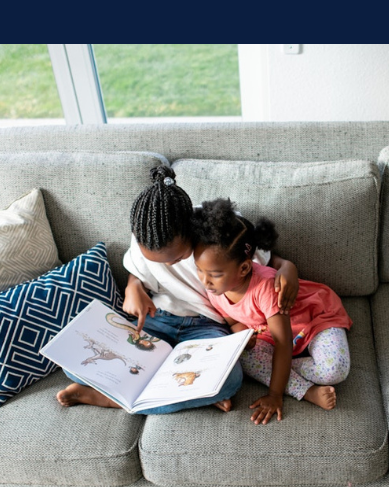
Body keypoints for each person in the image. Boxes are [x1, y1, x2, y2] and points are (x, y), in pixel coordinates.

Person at [56, 166, 299, 414]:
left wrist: (288, 269)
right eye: (157, 260)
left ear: (191, 231)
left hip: (208, 327)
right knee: (74, 364)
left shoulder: (221, 231)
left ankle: (108, 398)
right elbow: (137, 272)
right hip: (158, 320)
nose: (168, 264)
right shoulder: (146, 233)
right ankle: (192, 393)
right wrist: (133, 287)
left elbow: (263, 264)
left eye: (177, 258)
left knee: (231, 381)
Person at [192, 197, 353, 425]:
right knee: (244, 360)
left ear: (245, 268)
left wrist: (275, 395)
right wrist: (243, 337)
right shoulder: (215, 289)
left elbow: (283, 341)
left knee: (334, 371)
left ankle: (282, 370)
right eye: (199, 270)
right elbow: (232, 320)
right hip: (268, 331)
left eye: (214, 274)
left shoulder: (265, 286)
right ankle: (306, 391)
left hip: (313, 317)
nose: (205, 281)